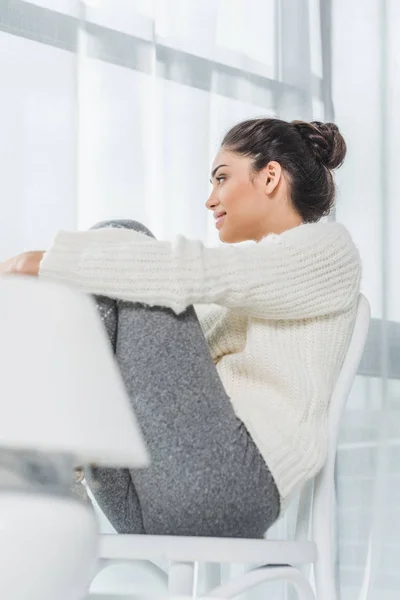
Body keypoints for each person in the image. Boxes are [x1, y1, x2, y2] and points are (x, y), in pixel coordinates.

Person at [0, 118, 361, 539]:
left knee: (125, 238)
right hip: (147, 499)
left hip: (232, 485)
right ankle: (52, 467)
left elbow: (192, 272)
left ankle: (41, 469)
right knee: (117, 288)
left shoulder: (328, 251)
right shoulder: (238, 296)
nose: (210, 200)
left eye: (221, 178)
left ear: (270, 175)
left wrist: (38, 262)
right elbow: (151, 367)